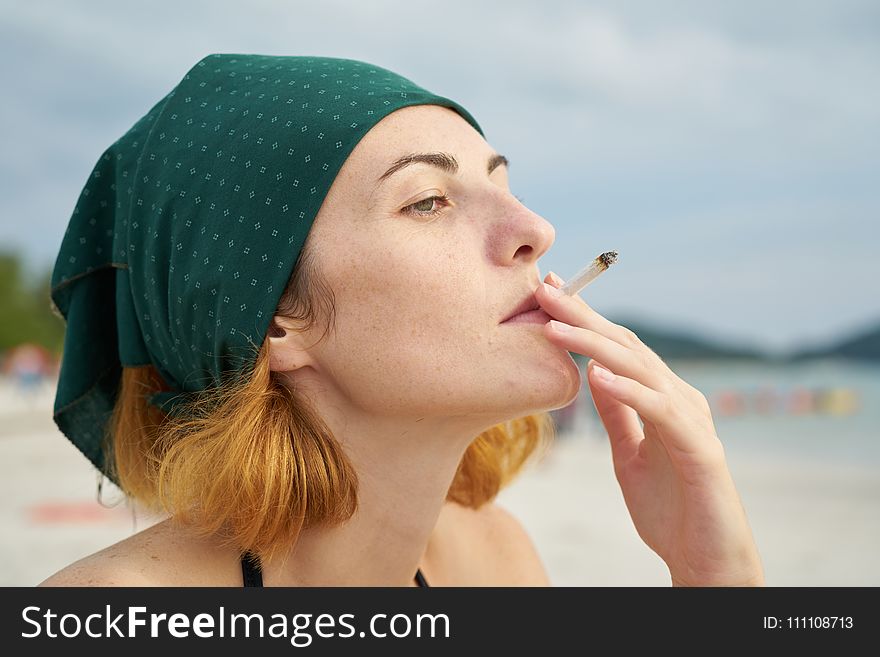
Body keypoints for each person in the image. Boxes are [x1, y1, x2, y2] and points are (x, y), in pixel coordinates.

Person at [40, 54, 763, 587]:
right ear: (272, 320)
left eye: (502, 183)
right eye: (428, 201)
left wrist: (714, 580)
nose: (535, 230)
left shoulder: (497, 568)